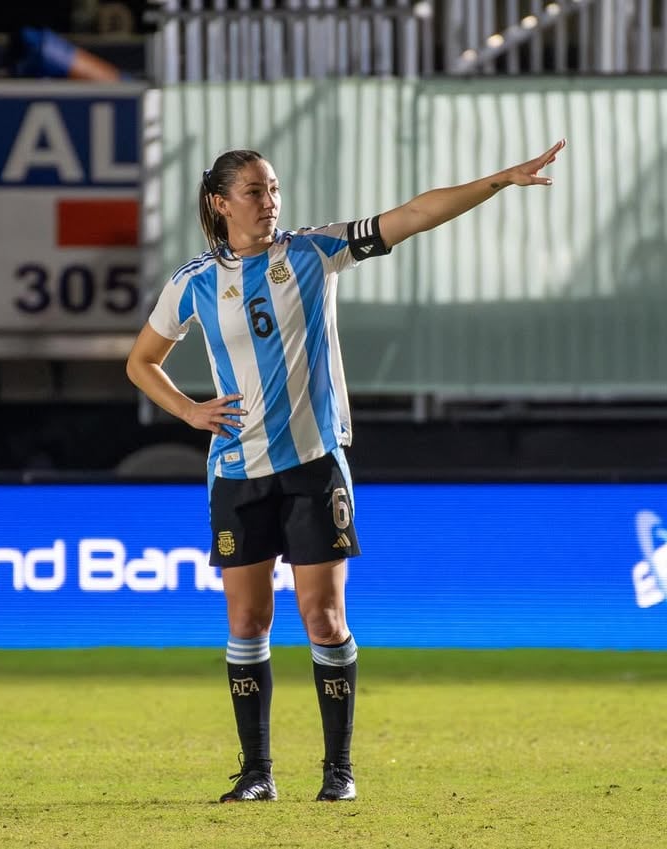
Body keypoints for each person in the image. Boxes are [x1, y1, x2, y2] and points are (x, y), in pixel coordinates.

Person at [125, 139, 566, 803]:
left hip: (314, 464)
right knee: (246, 623)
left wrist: (500, 181)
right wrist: (189, 411)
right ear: (219, 204)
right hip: (238, 471)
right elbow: (140, 362)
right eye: (254, 192)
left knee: (323, 617)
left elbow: (412, 214)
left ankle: (338, 770)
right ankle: (257, 773)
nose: (270, 202)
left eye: (273, 188)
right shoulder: (192, 283)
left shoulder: (313, 251)